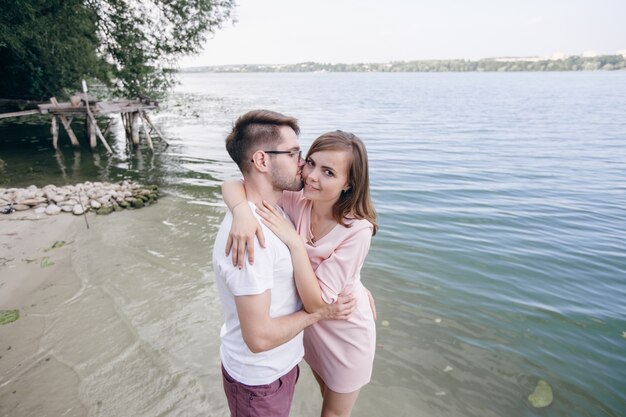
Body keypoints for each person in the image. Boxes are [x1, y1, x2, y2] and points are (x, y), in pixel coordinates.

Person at [222, 130, 378, 417]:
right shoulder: (300, 200)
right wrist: (241, 211)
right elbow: (233, 183)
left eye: (329, 172)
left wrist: (294, 243)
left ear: (348, 183)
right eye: (311, 163)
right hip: (308, 328)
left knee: (333, 413)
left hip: (344, 328)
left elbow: (317, 302)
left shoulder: (357, 229)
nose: (312, 176)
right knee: (321, 386)